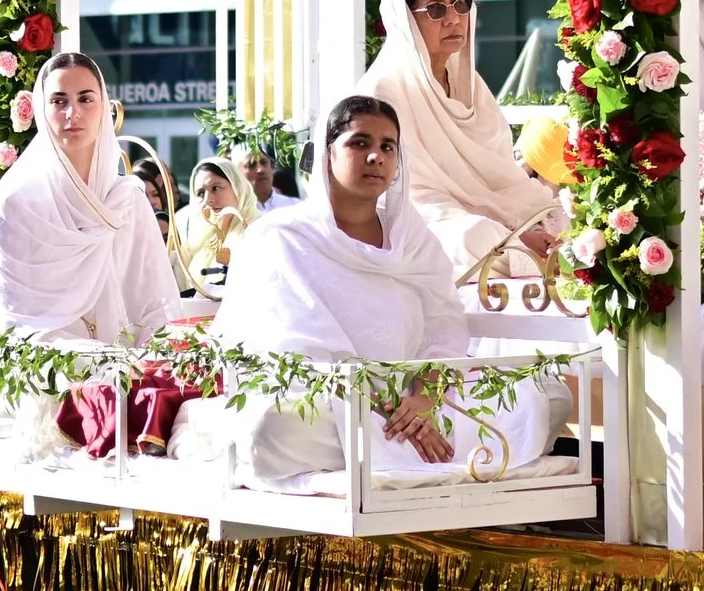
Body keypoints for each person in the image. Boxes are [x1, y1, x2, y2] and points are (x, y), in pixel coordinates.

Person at [175, 95, 568, 485]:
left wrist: (425, 401)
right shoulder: (281, 237)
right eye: (359, 143)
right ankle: (408, 445)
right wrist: (388, 408)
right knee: (270, 429)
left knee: (547, 398)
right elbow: (299, 347)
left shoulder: (413, 240)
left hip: (419, 400)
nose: (375, 156)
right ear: (328, 154)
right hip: (330, 401)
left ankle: (401, 444)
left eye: (387, 146)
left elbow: (443, 327)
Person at [363, 0, 561, 276]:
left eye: (460, 4)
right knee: (474, 237)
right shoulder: (381, 94)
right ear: (405, 20)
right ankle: (517, 251)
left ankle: (518, 248)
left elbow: (500, 177)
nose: (454, 19)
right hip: (425, 219)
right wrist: (511, 231)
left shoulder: (471, 86)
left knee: (561, 216)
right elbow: (405, 198)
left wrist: (517, 226)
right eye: (436, 10)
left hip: (486, 216)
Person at [0, 54, 176, 344]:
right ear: (41, 109)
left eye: (86, 99)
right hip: (42, 379)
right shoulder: (13, 207)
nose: (72, 112)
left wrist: (145, 373)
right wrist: (95, 369)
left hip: (126, 377)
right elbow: (16, 325)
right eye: (59, 101)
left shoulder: (127, 202)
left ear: (105, 107)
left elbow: (153, 309)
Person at [176, 156, 257, 284]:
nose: (208, 200)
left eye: (216, 188)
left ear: (238, 189)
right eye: (201, 193)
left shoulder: (259, 230)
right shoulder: (194, 241)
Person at [235, 142, 293, 214]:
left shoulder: (295, 208)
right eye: (251, 165)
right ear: (237, 175)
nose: (260, 170)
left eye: (264, 162)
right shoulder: (232, 217)